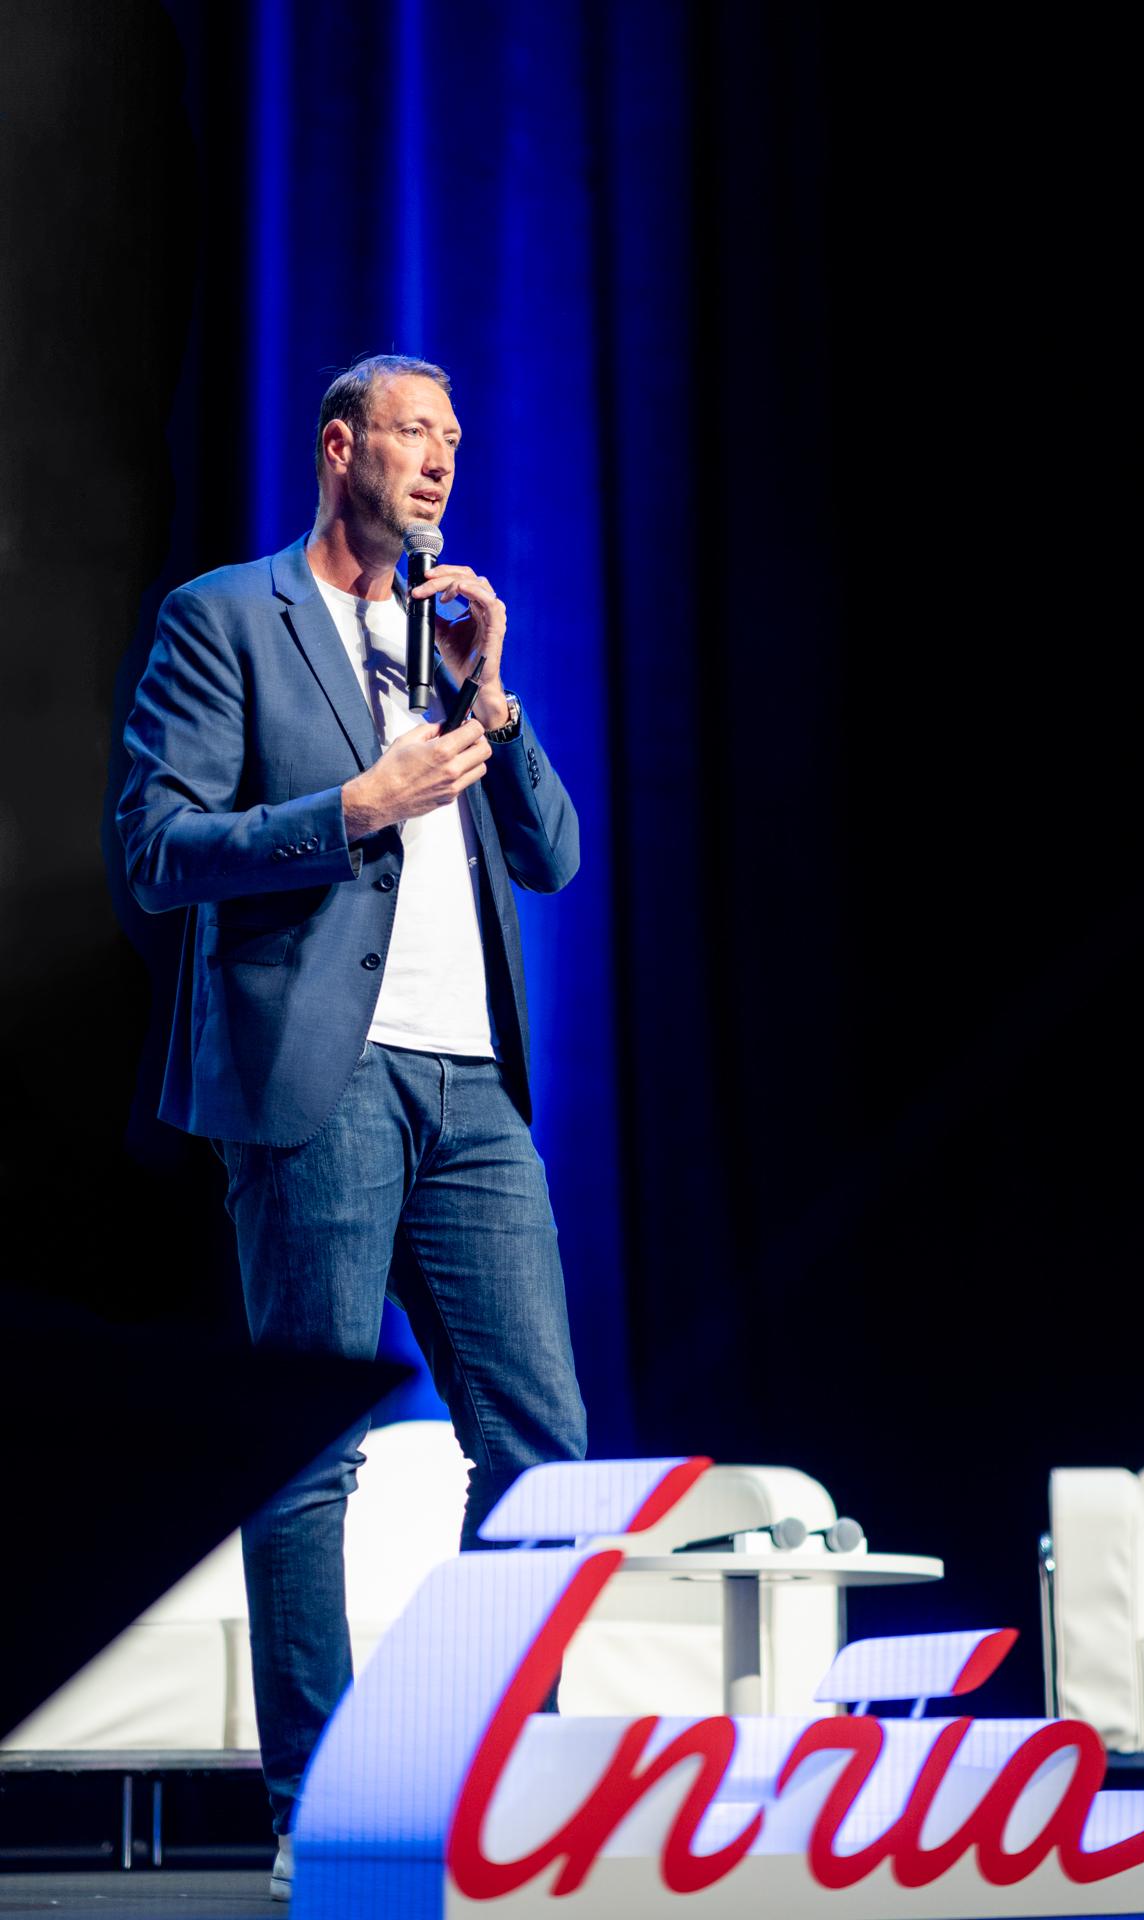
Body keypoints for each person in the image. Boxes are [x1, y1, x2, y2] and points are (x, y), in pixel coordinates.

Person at [117, 354, 588, 1897]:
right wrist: (355, 809)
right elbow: (155, 852)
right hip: (318, 1080)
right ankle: (320, 1805)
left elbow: (554, 857)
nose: (443, 463)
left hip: (470, 1086)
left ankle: (478, 1774)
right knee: (308, 1455)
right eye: (412, 435)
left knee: (543, 1449)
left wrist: (494, 703)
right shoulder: (225, 618)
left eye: (456, 439)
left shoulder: (445, 632)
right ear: (339, 448)